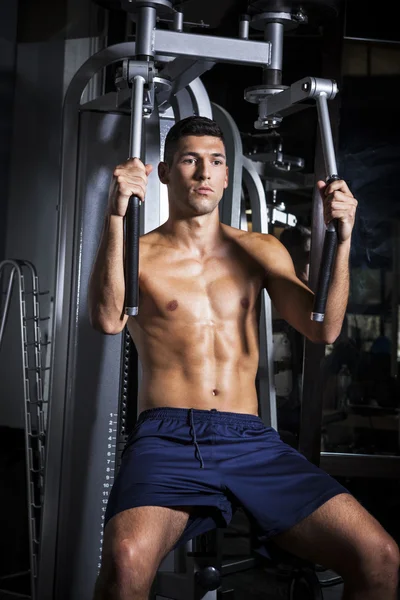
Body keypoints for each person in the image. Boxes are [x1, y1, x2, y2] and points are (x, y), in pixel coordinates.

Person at [88, 116, 399, 600]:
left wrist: (344, 236)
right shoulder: (140, 252)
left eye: (215, 162)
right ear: (165, 172)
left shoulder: (261, 250)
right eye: (190, 160)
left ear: (228, 176)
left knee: (379, 555)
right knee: (125, 565)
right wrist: (115, 215)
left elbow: (325, 327)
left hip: (250, 438)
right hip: (169, 436)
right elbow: (108, 319)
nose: (203, 173)